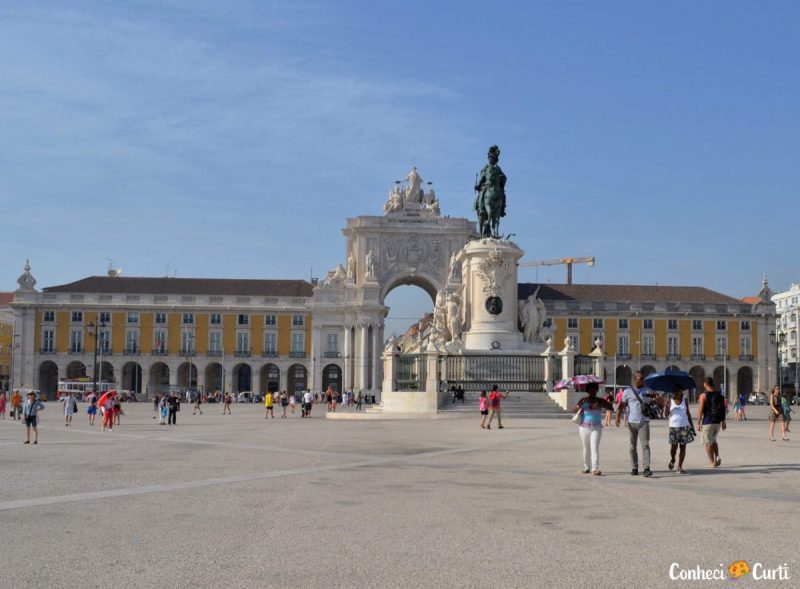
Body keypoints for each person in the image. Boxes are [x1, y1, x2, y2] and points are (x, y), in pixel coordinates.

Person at [616, 371, 656, 477]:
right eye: (640, 378)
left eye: (643, 379)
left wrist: (655, 398)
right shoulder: (627, 391)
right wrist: (617, 417)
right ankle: (634, 467)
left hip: (644, 422)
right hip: (631, 422)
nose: (643, 380)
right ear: (635, 379)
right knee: (632, 447)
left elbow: (656, 401)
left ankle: (646, 468)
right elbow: (622, 405)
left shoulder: (647, 390)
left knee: (645, 445)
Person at [572, 382, 613, 475]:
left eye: (594, 390)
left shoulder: (600, 400)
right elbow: (574, 410)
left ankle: (595, 468)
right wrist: (581, 407)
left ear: (597, 391)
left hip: (596, 427)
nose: (593, 393)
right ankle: (586, 467)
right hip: (584, 427)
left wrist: (600, 405)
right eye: (591, 391)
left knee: (594, 447)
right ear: (588, 391)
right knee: (586, 448)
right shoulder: (583, 400)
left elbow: (610, 407)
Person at [696, 377, 727, 467]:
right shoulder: (719, 395)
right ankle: (717, 457)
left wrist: (698, 423)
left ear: (705, 384)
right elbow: (723, 409)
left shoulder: (703, 396)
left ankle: (711, 462)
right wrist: (723, 421)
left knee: (708, 442)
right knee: (713, 441)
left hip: (708, 422)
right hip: (717, 423)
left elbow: (700, 410)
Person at [666, 385, 695, 474]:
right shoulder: (670, 401)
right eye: (674, 391)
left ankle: (680, 467)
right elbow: (666, 414)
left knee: (683, 447)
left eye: (677, 391)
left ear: (681, 391)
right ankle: (673, 458)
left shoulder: (685, 401)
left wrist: (692, 427)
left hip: (684, 426)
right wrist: (666, 407)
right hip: (673, 427)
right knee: (673, 447)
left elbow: (688, 413)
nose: (675, 393)